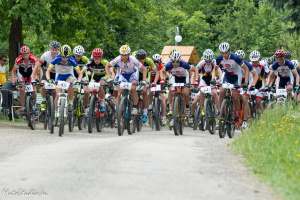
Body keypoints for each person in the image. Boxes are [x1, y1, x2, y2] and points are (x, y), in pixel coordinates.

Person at [105, 44, 145, 115]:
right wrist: (109, 77)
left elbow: (144, 69)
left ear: (129, 54)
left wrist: (144, 80)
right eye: (122, 55)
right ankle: (118, 111)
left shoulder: (133, 59)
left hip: (132, 75)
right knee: (119, 91)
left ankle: (135, 107)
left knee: (133, 89)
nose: (124, 56)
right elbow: (107, 66)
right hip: (123, 75)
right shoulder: (118, 58)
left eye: (125, 55)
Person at [11, 45, 38, 110]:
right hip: (22, 74)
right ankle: (22, 106)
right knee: (22, 89)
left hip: (31, 73)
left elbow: (37, 68)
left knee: (33, 87)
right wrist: (14, 79)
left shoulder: (33, 58)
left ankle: (34, 103)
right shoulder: (18, 59)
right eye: (23, 54)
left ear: (29, 53)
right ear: (21, 54)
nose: (25, 55)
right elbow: (13, 71)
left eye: (26, 53)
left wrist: (36, 77)